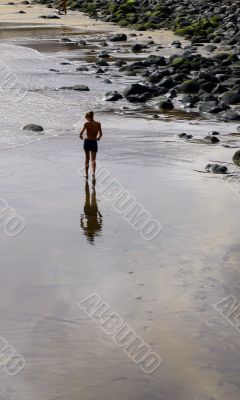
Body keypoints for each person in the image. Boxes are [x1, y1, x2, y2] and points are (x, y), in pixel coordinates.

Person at [79, 111, 102, 182]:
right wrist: (98, 138)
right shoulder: (98, 124)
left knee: (87, 158)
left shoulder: (86, 124)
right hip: (94, 142)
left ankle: (86, 173)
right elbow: (100, 134)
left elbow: (81, 134)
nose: (86, 119)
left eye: (86, 117)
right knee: (93, 160)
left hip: (87, 142)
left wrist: (81, 137)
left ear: (89, 117)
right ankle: (93, 173)